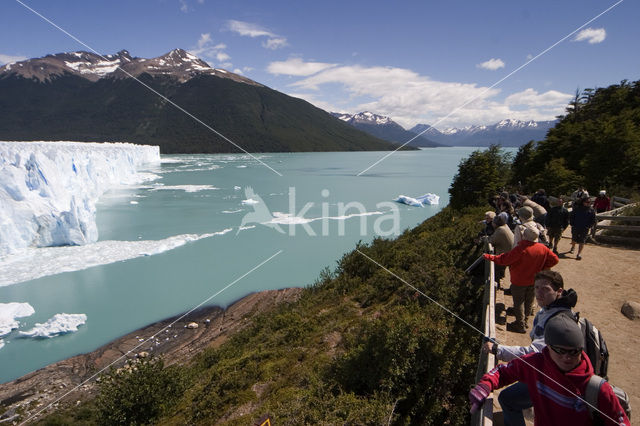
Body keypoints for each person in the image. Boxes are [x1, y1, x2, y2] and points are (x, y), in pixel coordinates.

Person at [470, 312, 630, 425]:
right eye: (560, 350)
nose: (567, 357)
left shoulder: (597, 388)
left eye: (574, 351)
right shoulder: (535, 364)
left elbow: (620, 421)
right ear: (548, 347)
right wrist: (485, 385)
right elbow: (502, 372)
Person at [483, 270, 577, 426]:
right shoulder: (549, 310)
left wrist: (497, 349)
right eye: (536, 287)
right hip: (550, 372)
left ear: (559, 291)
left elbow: (535, 353)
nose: (539, 293)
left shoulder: (557, 321)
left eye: (545, 289)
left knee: (508, 399)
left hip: (554, 380)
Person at [484, 227, 559, 333]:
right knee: (529, 300)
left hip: (519, 280)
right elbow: (555, 259)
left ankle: (520, 324)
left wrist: (489, 257)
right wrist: (543, 268)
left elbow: (505, 259)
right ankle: (525, 321)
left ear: (525, 236)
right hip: (535, 280)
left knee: (519, 302)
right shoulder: (543, 248)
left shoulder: (521, 248)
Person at [489, 212, 514, 286]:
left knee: (494, 269)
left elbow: (492, 241)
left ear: (495, 223)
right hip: (511, 252)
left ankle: (496, 285)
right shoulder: (505, 226)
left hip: (506, 255)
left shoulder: (500, 230)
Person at [570, 194, 596, 260]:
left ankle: (579, 254)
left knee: (582, 241)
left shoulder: (591, 210)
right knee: (573, 239)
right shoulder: (577, 208)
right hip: (576, 226)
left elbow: (593, 220)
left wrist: (589, 226)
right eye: (587, 202)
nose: (588, 203)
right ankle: (573, 247)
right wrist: (572, 223)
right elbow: (572, 216)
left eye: (589, 202)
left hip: (585, 228)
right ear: (583, 202)